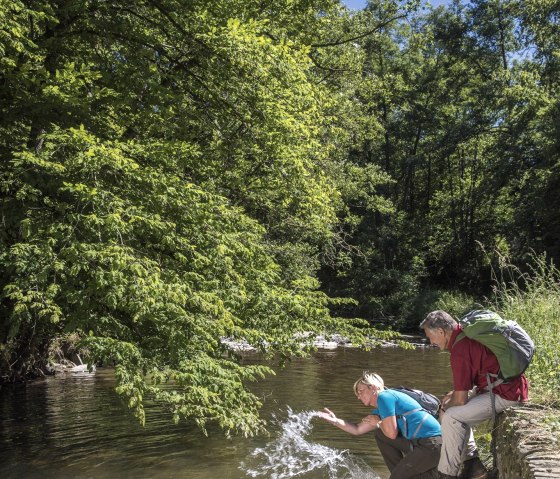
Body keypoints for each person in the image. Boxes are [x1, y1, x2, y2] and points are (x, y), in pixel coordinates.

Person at [420, 310, 529, 479]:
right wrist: (451, 397)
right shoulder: (464, 335)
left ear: (441, 332)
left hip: (506, 394)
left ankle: (446, 473)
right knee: (447, 408)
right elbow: (466, 385)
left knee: (451, 417)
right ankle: (473, 466)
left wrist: (447, 404)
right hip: (503, 386)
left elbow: (461, 400)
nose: (430, 341)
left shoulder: (460, 350)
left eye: (430, 336)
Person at [318, 371, 442, 479]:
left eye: (361, 391)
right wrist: (335, 421)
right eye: (357, 394)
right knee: (380, 434)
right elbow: (357, 429)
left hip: (432, 444)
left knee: (398, 475)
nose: (358, 396)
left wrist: (378, 423)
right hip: (419, 444)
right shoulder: (381, 409)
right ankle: (400, 473)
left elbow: (392, 434)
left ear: (372, 387)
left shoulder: (385, 397)